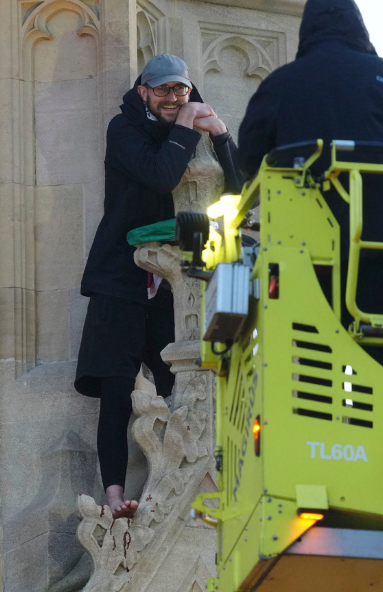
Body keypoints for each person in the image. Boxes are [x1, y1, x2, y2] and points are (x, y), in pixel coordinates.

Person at [76, 53, 242, 518]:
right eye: (164, 90)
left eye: (180, 90)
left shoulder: (198, 125)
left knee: (187, 384)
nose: (173, 98)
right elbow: (158, 173)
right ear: (145, 91)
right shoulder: (123, 127)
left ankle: (193, 489)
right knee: (115, 388)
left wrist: (224, 136)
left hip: (178, 281)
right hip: (121, 274)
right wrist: (188, 123)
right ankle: (113, 496)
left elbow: (242, 191)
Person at [236, 0, 383, 337]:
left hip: (304, 248)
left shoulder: (280, 84)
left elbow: (249, 157)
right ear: (359, 28)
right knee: (381, 349)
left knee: (309, 355)